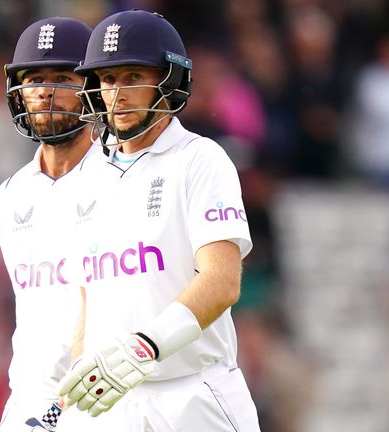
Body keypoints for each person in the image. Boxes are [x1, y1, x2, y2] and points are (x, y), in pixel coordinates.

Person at [55, 10, 260, 431]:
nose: (118, 94)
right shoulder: (86, 177)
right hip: (111, 400)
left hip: (194, 398)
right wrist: (74, 391)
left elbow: (223, 280)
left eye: (133, 77)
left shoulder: (200, 159)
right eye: (108, 80)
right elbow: (88, 298)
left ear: (168, 82)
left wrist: (144, 347)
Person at [0, 17, 98, 431]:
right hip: (30, 403)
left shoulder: (124, 181)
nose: (46, 91)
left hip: (106, 395)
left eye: (63, 78)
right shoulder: (8, 198)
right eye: (34, 78)